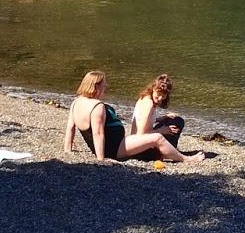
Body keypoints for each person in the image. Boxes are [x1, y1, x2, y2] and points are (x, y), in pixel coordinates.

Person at [62, 70, 200, 163]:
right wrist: (101, 160)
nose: (106, 87)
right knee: (158, 137)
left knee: (169, 126)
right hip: (116, 149)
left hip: (117, 145)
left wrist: (67, 151)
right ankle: (186, 159)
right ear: (96, 87)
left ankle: (170, 152)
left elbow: (70, 128)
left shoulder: (76, 102)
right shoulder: (96, 107)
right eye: (104, 85)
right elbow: (98, 134)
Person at [132, 74, 186, 149]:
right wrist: (162, 130)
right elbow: (141, 134)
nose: (160, 98)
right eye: (158, 94)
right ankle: (169, 150)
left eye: (163, 96)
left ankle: (170, 149)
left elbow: (145, 119)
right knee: (178, 121)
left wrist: (163, 118)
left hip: (138, 142)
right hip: (139, 147)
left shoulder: (146, 97)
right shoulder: (149, 104)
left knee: (174, 119)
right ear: (154, 88)